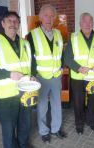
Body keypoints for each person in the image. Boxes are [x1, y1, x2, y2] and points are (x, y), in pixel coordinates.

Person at [0, 11, 34, 148]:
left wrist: (33, 75)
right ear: (3, 23)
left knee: (25, 124)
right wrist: (8, 74)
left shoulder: (25, 43)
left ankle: (23, 145)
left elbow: (31, 65)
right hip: (6, 96)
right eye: (9, 20)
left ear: (19, 24)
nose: (13, 23)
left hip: (24, 92)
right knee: (8, 130)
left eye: (16, 21)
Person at [64, 12, 94, 134]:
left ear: (93, 23)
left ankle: (91, 121)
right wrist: (78, 68)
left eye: (90, 21)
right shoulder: (73, 37)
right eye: (85, 21)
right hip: (78, 77)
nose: (87, 24)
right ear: (80, 23)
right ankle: (79, 124)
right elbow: (67, 57)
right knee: (78, 102)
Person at [27, 4, 66, 143]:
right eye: (45, 15)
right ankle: (44, 131)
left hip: (56, 76)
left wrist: (61, 67)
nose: (48, 18)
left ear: (54, 18)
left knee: (57, 104)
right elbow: (30, 57)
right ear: (40, 17)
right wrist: (32, 74)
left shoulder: (58, 34)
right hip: (41, 77)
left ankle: (56, 129)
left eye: (51, 16)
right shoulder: (32, 35)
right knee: (42, 105)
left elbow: (61, 53)